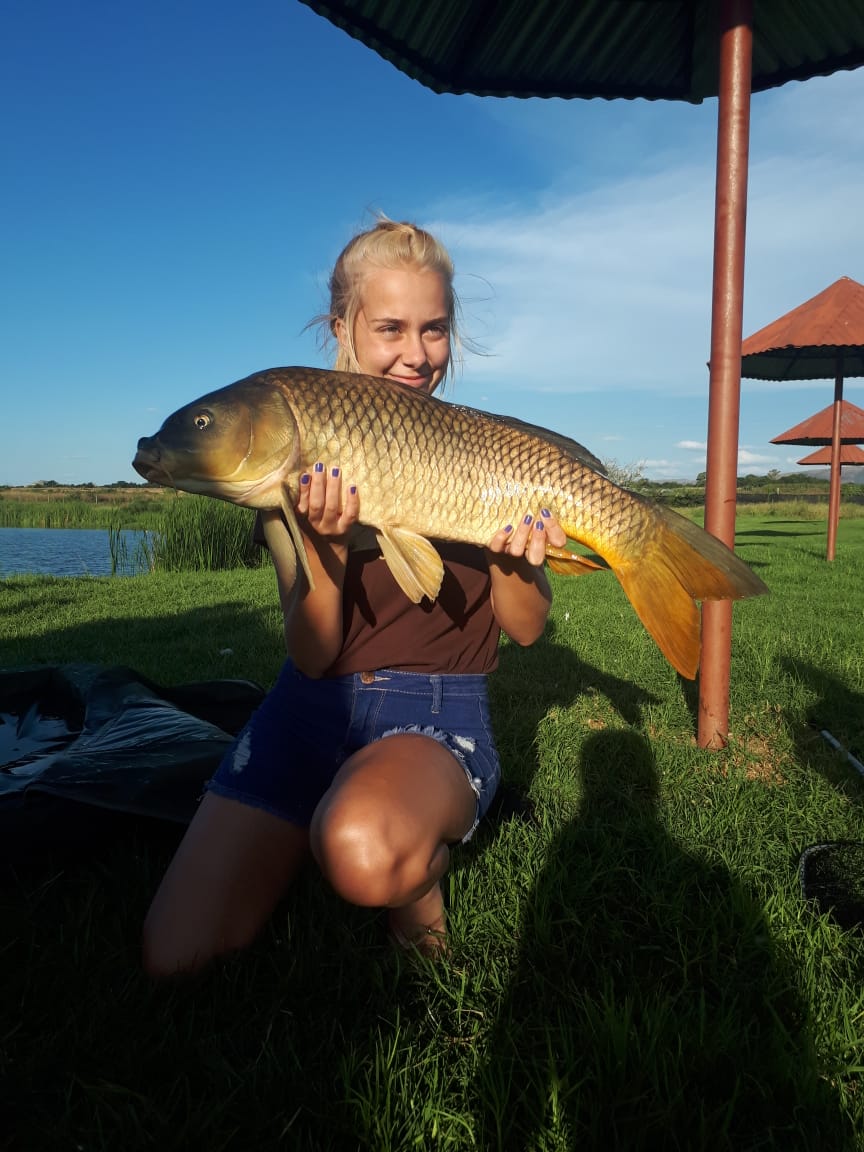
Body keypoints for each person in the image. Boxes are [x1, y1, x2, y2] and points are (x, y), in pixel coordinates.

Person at [142, 218, 566, 975]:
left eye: (434, 330)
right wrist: (328, 549)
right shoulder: (286, 464)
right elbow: (312, 652)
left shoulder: (482, 452)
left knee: (360, 853)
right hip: (310, 709)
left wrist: (512, 558)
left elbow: (527, 631)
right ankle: (338, 804)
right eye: (391, 328)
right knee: (175, 953)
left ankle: (415, 885)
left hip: (435, 712)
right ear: (343, 327)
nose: (415, 352)